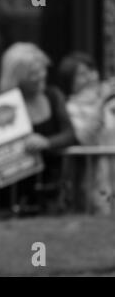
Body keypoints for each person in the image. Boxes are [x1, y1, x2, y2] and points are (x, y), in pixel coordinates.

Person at [0, 42, 76, 216]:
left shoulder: (53, 96)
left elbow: (70, 134)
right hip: (8, 190)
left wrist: (46, 142)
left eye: (42, 70)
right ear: (16, 76)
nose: (40, 76)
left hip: (50, 186)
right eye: (32, 74)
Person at [58, 52, 115, 214]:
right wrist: (101, 102)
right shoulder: (70, 108)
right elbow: (84, 138)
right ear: (70, 82)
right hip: (96, 183)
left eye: (92, 70)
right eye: (82, 74)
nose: (91, 77)